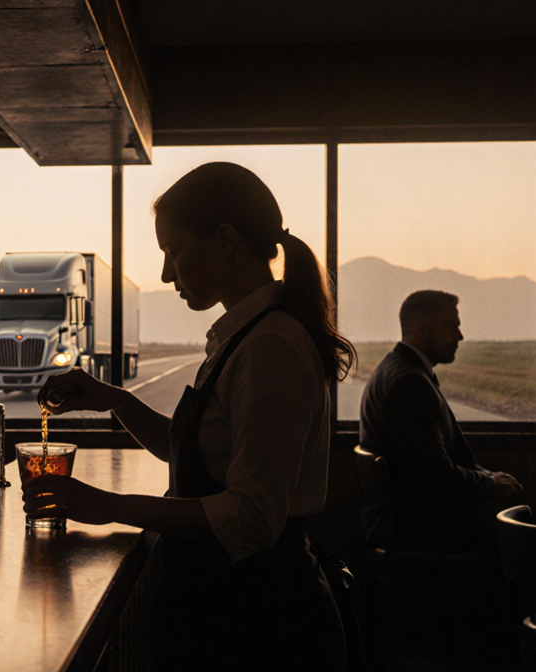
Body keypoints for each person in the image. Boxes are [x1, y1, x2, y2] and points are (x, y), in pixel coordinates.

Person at [27, 162, 348, 670]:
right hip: (228, 612)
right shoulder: (244, 335)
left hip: (262, 628)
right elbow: (196, 449)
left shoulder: (271, 345)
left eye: (172, 251)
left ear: (225, 239)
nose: (165, 273)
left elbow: (251, 517)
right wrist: (115, 399)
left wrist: (110, 504)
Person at [358, 290, 523, 553]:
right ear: (420, 330)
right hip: (416, 527)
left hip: (406, 518)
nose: (460, 335)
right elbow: (439, 476)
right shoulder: (409, 384)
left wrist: (487, 478)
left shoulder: (396, 369)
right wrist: (490, 484)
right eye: (451, 326)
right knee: (518, 528)